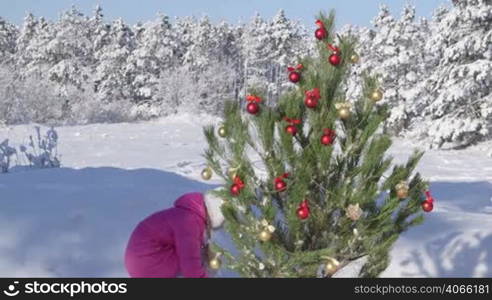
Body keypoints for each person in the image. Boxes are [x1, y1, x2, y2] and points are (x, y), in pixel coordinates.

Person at [124, 192, 224, 278]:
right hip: (147, 263)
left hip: (139, 260)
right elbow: (190, 262)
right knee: (195, 258)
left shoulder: (187, 213)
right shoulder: (189, 222)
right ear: (212, 216)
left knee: (195, 253)